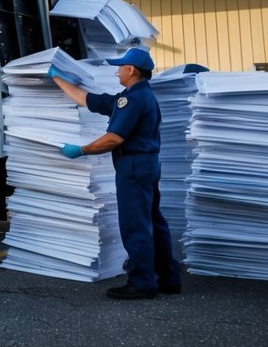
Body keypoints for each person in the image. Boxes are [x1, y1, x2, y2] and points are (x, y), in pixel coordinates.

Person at [48, 47, 182, 300]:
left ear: (131, 70)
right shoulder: (136, 96)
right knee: (154, 221)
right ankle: (168, 278)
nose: (117, 70)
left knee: (135, 225)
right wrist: (57, 77)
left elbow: (113, 139)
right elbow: (87, 99)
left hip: (133, 167)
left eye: (120, 66)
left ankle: (142, 282)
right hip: (146, 165)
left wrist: (81, 149)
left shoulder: (133, 100)